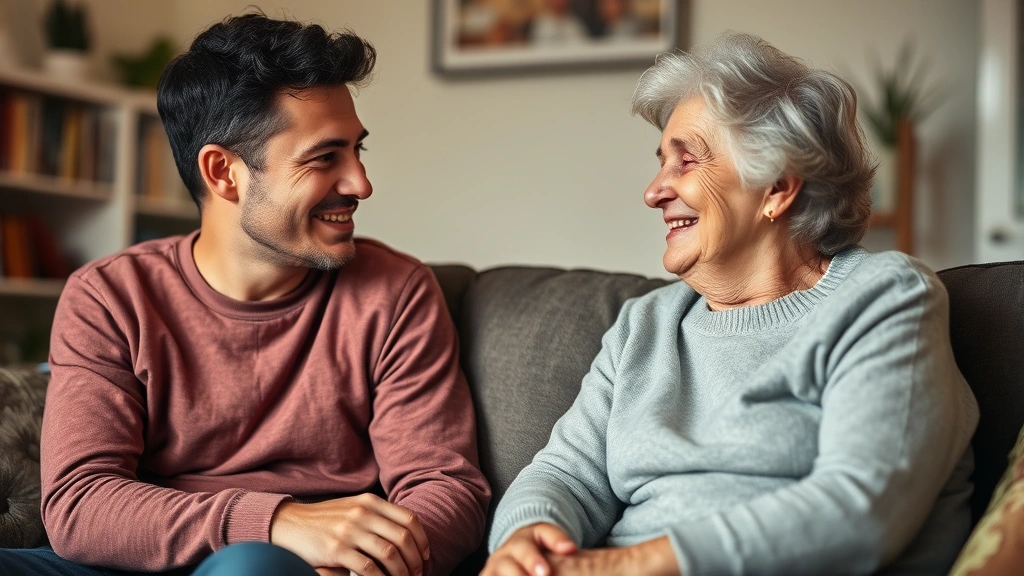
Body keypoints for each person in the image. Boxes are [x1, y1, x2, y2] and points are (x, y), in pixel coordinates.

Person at [0, 13, 490, 576]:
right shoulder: (109, 296)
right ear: (223, 173)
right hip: (136, 559)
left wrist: (365, 562)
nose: (361, 183)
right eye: (325, 157)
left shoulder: (396, 293)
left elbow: (444, 487)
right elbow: (81, 503)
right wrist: (276, 521)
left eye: (357, 151)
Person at [483, 32, 978, 576]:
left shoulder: (884, 298)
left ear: (776, 188)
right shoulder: (646, 325)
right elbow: (566, 476)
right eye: (660, 163)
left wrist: (612, 568)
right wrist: (526, 543)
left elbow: (862, 509)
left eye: (686, 162)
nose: (653, 191)